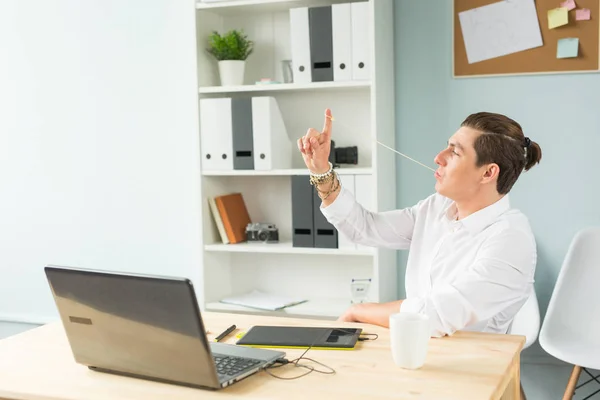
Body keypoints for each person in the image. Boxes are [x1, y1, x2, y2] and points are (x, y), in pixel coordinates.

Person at [297, 109, 542, 337]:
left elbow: (435, 315)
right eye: (447, 147)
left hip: (471, 369)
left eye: (454, 152)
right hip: (418, 348)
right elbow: (366, 228)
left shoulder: (511, 238)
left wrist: (358, 311)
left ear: (488, 173)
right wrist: (321, 172)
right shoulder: (438, 207)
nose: (438, 157)